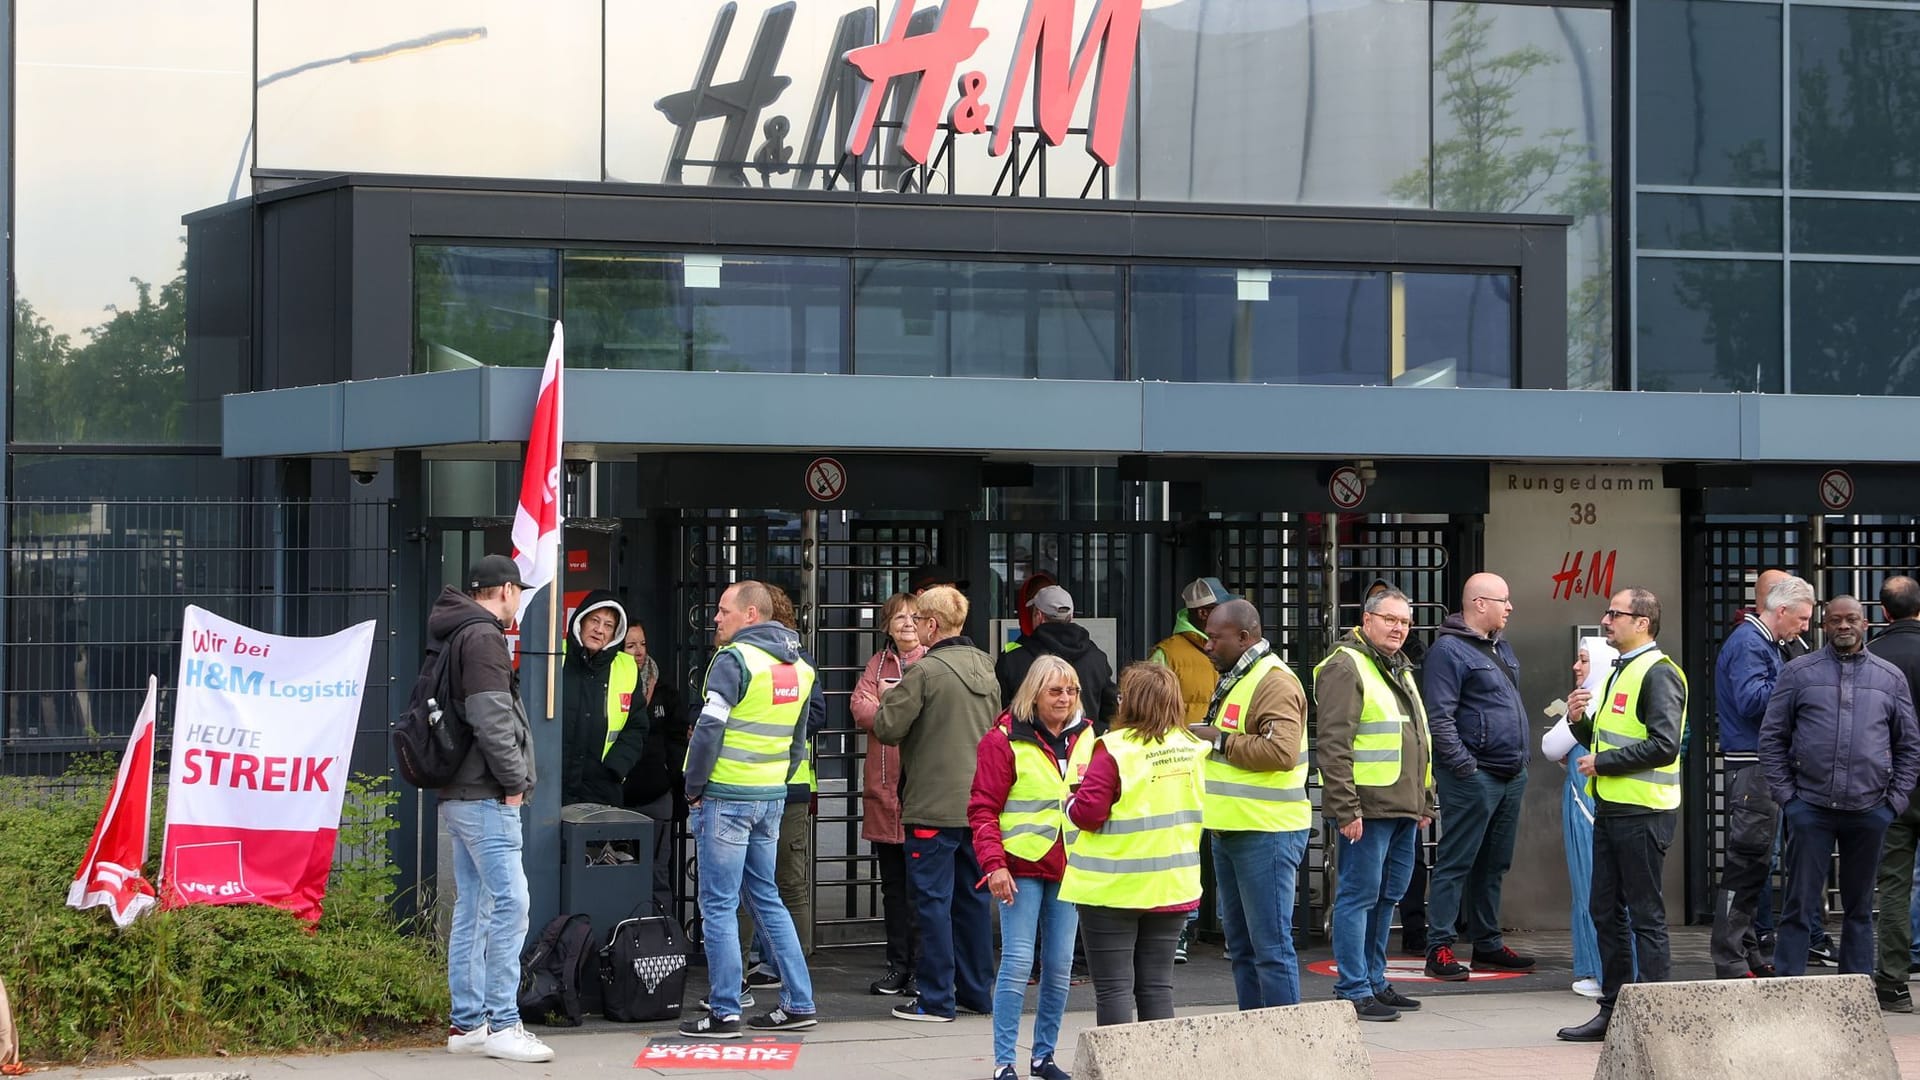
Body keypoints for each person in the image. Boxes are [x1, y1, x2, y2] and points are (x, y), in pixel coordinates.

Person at [679, 580, 820, 1038]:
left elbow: (708, 731)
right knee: (767, 897)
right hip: (770, 798)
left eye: (724, 611)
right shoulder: (799, 666)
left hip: (724, 797)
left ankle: (724, 1011)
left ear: (751, 615)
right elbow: (798, 743)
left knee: (718, 906)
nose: (717, 619)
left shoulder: (734, 660)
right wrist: (775, 782)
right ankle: (799, 1001)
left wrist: (694, 786)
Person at [1762, 595, 1920, 989]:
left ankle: (1855, 993)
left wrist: (1893, 802)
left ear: (1866, 624)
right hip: (1810, 808)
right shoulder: (1799, 673)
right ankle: (1788, 990)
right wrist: (1789, 800)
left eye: (1851, 619)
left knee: (1860, 907)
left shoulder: (1889, 677)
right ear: (1824, 626)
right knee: (1798, 904)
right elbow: (1772, 739)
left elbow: (1908, 746)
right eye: (1835, 620)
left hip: (1870, 809)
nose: (1844, 626)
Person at [435, 555, 553, 1063]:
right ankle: (503, 1021)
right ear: (505, 589)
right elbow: (491, 719)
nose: (519, 603)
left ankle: (468, 1024)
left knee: (476, 906)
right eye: (518, 594)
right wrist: (514, 781)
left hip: (461, 791)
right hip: (485, 794)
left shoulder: (454, 629)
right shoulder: (483, 637)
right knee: (512, 904)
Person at [1557, 588, 1686, 1043]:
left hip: (1644, 812)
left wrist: (1603, 764)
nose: (1606, 619)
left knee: (1645, 915)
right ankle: (1612, 1010)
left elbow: (1664, 744)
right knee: (1605, 911)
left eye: (1615, 613)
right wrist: (1579, 724)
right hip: (1613, 809)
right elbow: (1610, 739)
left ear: (1642, 622)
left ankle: (1653, 1016)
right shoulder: (1622, 669)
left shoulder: (1659, 673)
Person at [873, 585, 1000, 1023]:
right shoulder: (986, 667)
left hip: (931, 804)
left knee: (931, 901)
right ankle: (977, 993)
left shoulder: (925, 672)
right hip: (979, 805)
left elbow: (888, 728)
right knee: (972, 901)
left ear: (932, 625)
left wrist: (889, 694)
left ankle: (935, 1000)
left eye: (919, 620)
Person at [1313, 585, 1435, 1022]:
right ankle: (1353, 987)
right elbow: (1334, 743)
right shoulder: (1347, 666)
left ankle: (1375, 980)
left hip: (1402, 806)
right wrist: (1346, 809)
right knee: (1359, 897)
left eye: (1404, 622)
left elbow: (1419, 738)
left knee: (1387, 898)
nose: (1399, 628)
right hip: (1368, 808)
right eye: (1390, 620)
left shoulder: (1397, 666)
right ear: (1367, 621)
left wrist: (1426, 801)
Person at [1062, 663, 1207, 1026]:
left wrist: (1068, 802)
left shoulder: (1114, 749)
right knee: (1158, 987)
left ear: (1131, 703)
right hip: (1173, 886)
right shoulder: (1191, 746)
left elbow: (1088, 814)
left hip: (1113, 888)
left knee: (1113, 989)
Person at [970, 655, 1091, 1080]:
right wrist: (994, 865)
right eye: (1055, 690)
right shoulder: (1002, 740)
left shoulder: (1088, 737)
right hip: (1018, 865)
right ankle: (1005, 1062)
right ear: (1033, 692)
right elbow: (983, 809)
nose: (1065, 698)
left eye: (1071, 690)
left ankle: (1043, 1057)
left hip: (1069, 866)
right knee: (1018, 963)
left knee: (1059, 966)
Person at [1191, 598, 1311, 1009]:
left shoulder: (1273, 681)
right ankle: (1253, 1039)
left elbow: (1281, 753)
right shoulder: (1240, 676)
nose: (1208, 646)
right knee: (1242, 950)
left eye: (1215, 638)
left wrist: (1217, 739)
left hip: (1267, 832)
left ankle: (1285, 1051)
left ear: (1245, 638)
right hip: (1233, 830)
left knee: (1271, 951)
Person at [1420, 572, 1532, 981]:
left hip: (1509, 774)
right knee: (1457, 860)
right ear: (1479, 604)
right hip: (1475, 776)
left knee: (1494, 862)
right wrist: (1466, 768)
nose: (1510, 607)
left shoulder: (1501, 647)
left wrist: (1521, 763)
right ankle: (1440, 947)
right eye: (1504, 600)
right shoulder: (1448, 652)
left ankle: (1487, 943)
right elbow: (1440, 719)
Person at [1708, 574, 1813, 980]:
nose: (1804, 628)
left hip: (1755, 763)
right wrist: (1798, 680)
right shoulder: (1751, 643)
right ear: (1781, 611)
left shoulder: (1759, 642)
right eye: (1801, 619)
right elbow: (1753, 700)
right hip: (1753, 765)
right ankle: (1730, 956)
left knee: (1754, 865)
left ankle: (1745, 952)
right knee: (1747, 863)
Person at [1149, 575, 1235, 963]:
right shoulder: (1167, 653)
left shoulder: (1234, 651)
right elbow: (1152, 711)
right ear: (1203, 613)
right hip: (1187, 763)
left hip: (1225, 761)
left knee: (1221, 846)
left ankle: (1224, 927)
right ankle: (1185, 926)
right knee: (1188, 847)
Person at [850, 593, 927, 997]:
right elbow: (857, 707)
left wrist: (885, 702)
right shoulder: (876, 664)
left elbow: (920, 714)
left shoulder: (931, 663)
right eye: (899, 617)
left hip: (919, 793)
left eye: (915, 617)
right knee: (893, 889)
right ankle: (898, 965)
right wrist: (892, 710)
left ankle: (922, 968)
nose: (907, 624)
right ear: (886, 625)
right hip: (884, 794)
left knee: (922, 889)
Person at [1555, 638, 1617, 999]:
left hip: (1589, 806)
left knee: (1592, 889)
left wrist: (1571, 719)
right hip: (1604, 805)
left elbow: (1551, 746)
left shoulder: (1590, 703)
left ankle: (1598, 970)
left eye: (1583, 660)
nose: (1576, 667)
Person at [621, 619, 688, 915]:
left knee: (658, 873)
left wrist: (673, 782)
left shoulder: (664, 691)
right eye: (630, 644)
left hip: (657, 795)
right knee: (620, 872)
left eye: (642, 644)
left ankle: (661, 943)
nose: (638, 651)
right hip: (620, 796)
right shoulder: (609, 686)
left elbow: (677, 741)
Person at [1875, 576, 1920, 1012]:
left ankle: (1892, 983)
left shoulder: (1874, 659)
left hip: (1893, 787)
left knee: (1893, 884)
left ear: (1885, 612)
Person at [559, 591, 649, 809]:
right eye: (595, 620)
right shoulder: (553, 655)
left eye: (609, 625)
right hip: (551, 781)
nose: (600, 630)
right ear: (580, 621)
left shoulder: (626, 668)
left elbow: (637, 727)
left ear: (615, 633)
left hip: (601, 788)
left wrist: (616, 768)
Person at [996, 585, 1119, 730]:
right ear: (1071, 616)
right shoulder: (1097, 657)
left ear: (1039, 616)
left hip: (1030, 748)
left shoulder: (1012, 659)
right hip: (1082, 748)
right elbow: (1111, 711)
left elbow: (1000, 712)